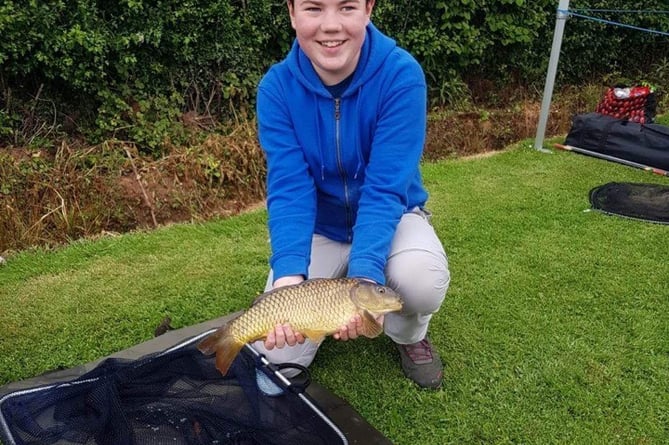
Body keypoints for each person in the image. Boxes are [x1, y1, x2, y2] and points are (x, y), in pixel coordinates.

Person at [253, 0, 450, 389]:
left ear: (368, 9)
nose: (330, 25)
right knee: (275, 355)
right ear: (291, 13)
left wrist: (363, 277)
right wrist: (289, 277)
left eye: (346, 7)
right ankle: (311, 312)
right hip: (320, 227)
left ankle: (408, 336)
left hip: (392, 219)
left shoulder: (400, 76)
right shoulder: (276, 89)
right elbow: (290, 189)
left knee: (419, 280)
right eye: (313, 8)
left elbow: (384, 189)